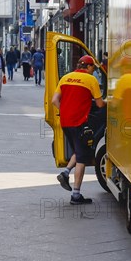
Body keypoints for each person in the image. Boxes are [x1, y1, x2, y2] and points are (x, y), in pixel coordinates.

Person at [52, 55, 106, 205]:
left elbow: (54, 100)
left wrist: (65, 111)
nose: (93, 71)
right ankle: (76, 195)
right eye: (93, 68)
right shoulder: (91, 80)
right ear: (88, 67)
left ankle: (66, 172)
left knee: (79, 149)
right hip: (80, 123)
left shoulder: (65, 78)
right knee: (82, 159)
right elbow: (100, 105)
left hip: (65, 122)